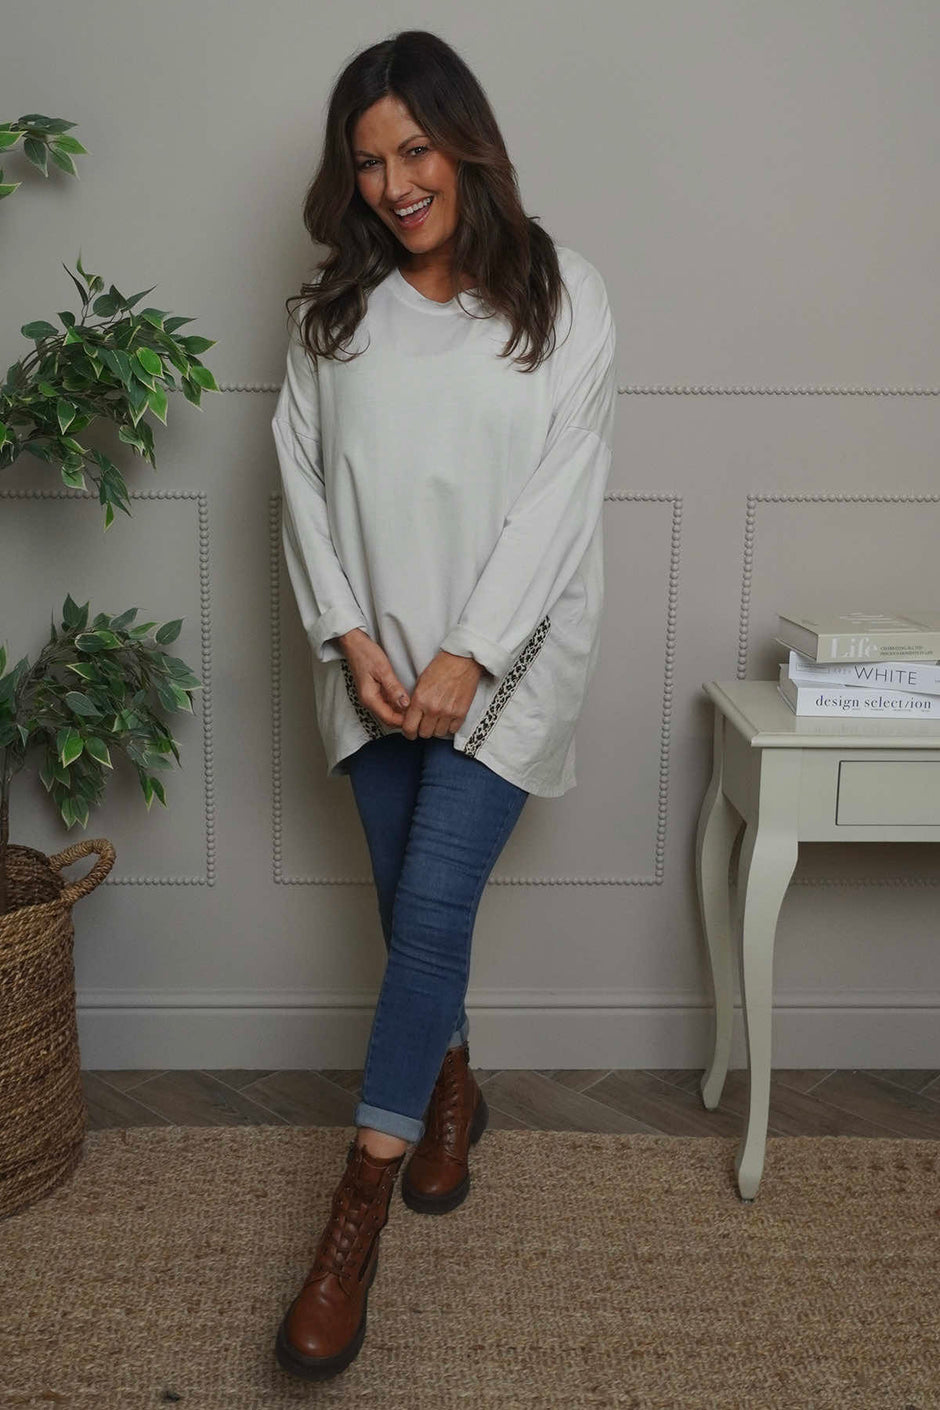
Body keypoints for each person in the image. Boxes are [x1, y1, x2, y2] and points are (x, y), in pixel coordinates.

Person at [270, 28, 617, 1383]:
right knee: (407, 910)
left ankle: (350, 1222)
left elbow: (562, 496)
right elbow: (299, 476)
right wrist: (348, 634)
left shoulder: (564, 295)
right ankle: (453, 1087)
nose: (395, 183)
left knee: (426, 914)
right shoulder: (333, 316)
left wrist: (470, 654)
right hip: (370, 666)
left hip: (505, 665)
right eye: (368, 162)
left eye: (415, 149)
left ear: (466, 142)